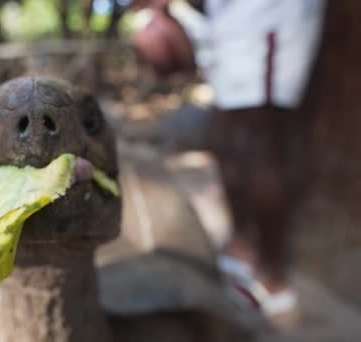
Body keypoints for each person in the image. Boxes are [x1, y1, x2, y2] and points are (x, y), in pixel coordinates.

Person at [133, 0, 327, 317]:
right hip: (228, 19)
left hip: (267, 14)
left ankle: (272, 276)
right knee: (225, 136)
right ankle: (241, 250)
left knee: (260, 139)